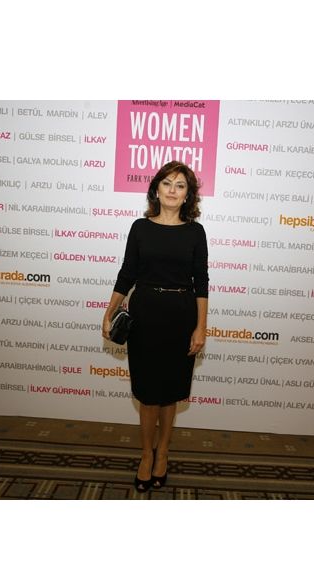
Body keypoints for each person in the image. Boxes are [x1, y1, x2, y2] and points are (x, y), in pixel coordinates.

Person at [102, 161, 209, 493]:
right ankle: (146, 454)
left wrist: (201, 327)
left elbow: (202, 282)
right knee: (148, 395)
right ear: (156, 189)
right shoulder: (140, 228)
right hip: (145, 315)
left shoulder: (195, 232)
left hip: (181, 316)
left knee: (170, 394)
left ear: (188, 195)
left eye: (180, 185)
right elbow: (127, 273)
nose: (173, 190)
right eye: (167, 183)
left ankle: (163, 451)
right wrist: (109, 311)